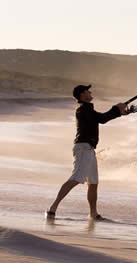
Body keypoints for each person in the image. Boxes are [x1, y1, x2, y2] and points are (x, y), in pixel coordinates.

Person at [47, 84, 129, 221]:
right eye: (87, 91)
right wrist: (116, 109)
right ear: (82, 95)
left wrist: (120, 112)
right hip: (83, 149)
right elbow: (102, 119)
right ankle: (52, 208)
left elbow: (102, 118)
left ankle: (93, 214)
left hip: (89, 149)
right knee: (75, 179)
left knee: (93, 183)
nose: (90, 92)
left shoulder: (86, 109)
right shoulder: (83, 109)